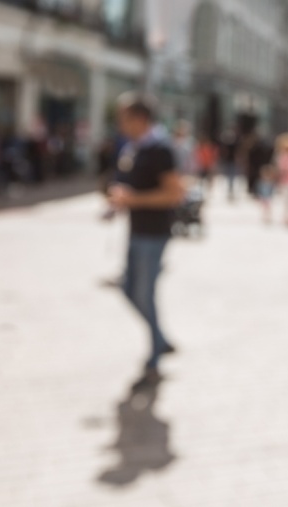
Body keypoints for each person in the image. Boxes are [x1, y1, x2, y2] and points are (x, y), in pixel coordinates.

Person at [106, 93, 186, 387]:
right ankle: (160, 338)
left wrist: (133, 200)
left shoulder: (160, 148)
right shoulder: (135, 147)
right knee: (129, 288)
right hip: (137, 230)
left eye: (124, 117)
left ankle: (154, 356)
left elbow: (174, 194)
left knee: (144, 292)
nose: (119, 123)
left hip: (154, 233)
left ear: (140, 119)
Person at [218, 128, 239, 201]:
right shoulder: (226, 144)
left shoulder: (234, 144)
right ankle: (229, 189)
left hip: (232, 162)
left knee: (231, 176)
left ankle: (231, 189)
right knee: (229, 176)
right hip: (228, 162)